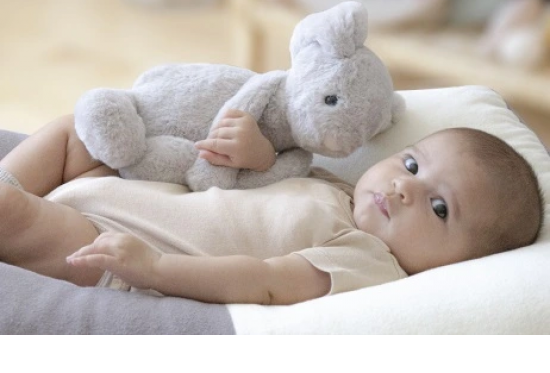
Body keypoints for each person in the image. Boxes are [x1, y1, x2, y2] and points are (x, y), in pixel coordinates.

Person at [0, 111, 545, 305]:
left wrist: (155, 268)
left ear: (457, 264)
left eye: (440, 208)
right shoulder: (340, 190)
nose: (405, 188)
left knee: (11, 212)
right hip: (122, 196)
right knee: (78, 131)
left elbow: (263, 282)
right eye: (411, 164)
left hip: (114, 250)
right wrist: (257, 154)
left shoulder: (368, 261)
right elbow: (268, 180)